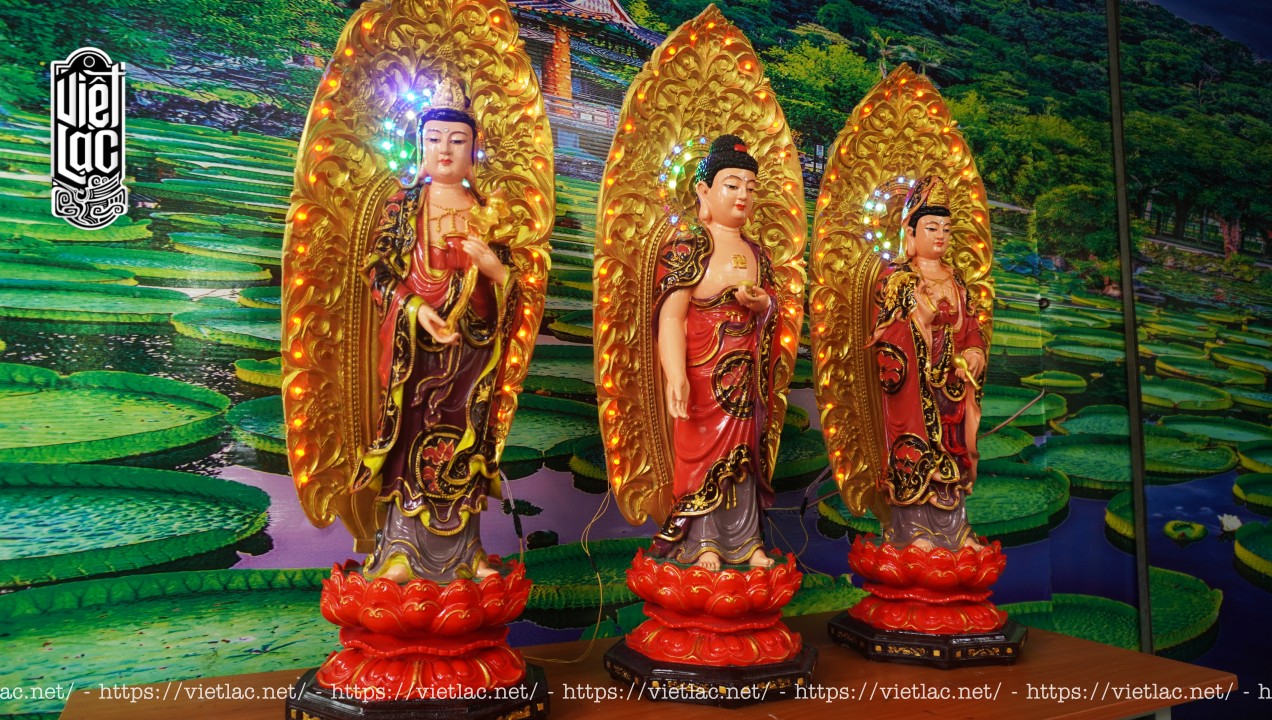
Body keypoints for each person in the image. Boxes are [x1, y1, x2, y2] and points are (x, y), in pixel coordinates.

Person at [353, 77, 518, 583]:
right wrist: (413, 307)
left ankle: (466, 551)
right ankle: (400, 550)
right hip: (414, 352)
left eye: (457, 140)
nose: (445, 149)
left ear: (474, 150)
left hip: (472, 351)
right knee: (411, 438)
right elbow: (379, 271)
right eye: (434, 139)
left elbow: (514, 291)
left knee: (467, 442)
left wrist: (494, 269)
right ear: (419, 146)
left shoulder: (488, 212)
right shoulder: (405, 206)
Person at [649, 135, 781, 571]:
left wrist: (763, 306)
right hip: (702, 375)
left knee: (745, 459)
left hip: (745, 377)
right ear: (704, 192)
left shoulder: (757, 252)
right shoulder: (688, 248)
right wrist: (676, 374)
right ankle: (702, 540)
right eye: (732, 185)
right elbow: (671, 318)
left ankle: (747, 541)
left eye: (750, 187)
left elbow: (773, 313)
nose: (743, 195)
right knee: (704, 457)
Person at [870, 175, 987, 552]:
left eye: (947, 229)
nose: (940, 236)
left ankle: (956, 530)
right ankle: (912, 529)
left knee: (952, 452)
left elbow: (971, 328)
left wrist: (974, 353)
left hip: (951, 388)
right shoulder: (897, 280)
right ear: (911, 231)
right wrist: (919, 323)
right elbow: (885, 335)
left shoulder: (957, 281)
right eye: (932, 227)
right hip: (913, 390)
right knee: (918, 451)